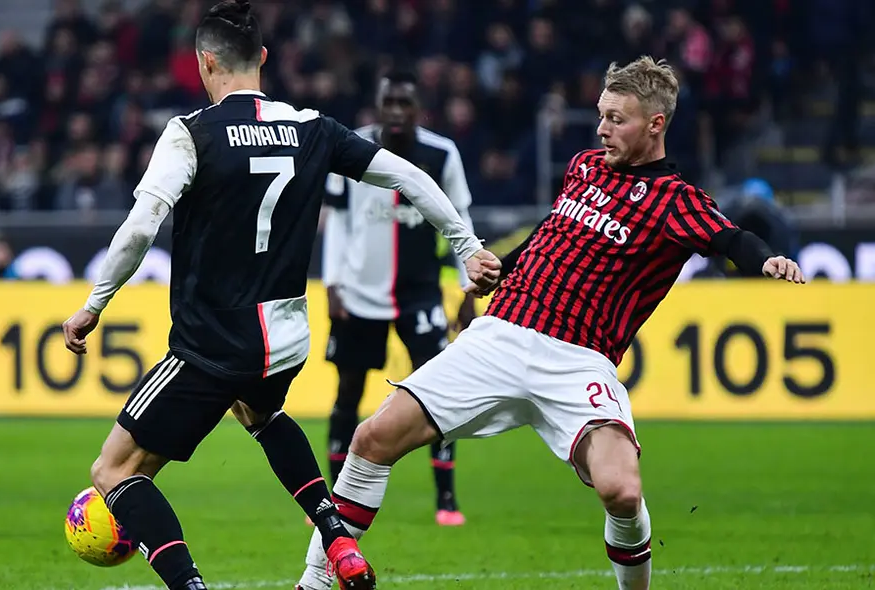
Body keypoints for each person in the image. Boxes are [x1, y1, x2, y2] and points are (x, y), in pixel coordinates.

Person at [294, 56, 805, 590]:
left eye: (618, 119)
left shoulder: (675, 201)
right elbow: (554, 232)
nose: (603, 129)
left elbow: (731, 238)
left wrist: (766, 259)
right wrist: (505, 267)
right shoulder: (585, 165)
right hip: (501, 334)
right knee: (372, 438)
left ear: (656, 124)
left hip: (577, 360)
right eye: (602, 115)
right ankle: (313, 582)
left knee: (621, 492)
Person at [59, 2, 501, 590]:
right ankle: (338, 539)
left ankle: (189, 586)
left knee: (112, 471)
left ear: (204, 62)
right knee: (261, 413)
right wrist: (466, 246)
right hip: (285, 339)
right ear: (263, 59)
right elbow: (411, 177)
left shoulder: (190, 134)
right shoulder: (313, 128)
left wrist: (94, 303)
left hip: (213, 342)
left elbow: (142, 226)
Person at [321, 70, 477, 527]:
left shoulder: (441, 153)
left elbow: (459, 218)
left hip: (420, 293)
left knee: (438, 395)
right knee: (348, 390)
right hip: (359, 293)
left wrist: (468, 289)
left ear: (418, 107)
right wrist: (331, 284)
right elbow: (337, 219)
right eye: (388, 101)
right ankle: (331, 503)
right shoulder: (351, 146)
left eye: (404, 103)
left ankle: (446, 499)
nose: (395, 111)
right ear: (378, 104)